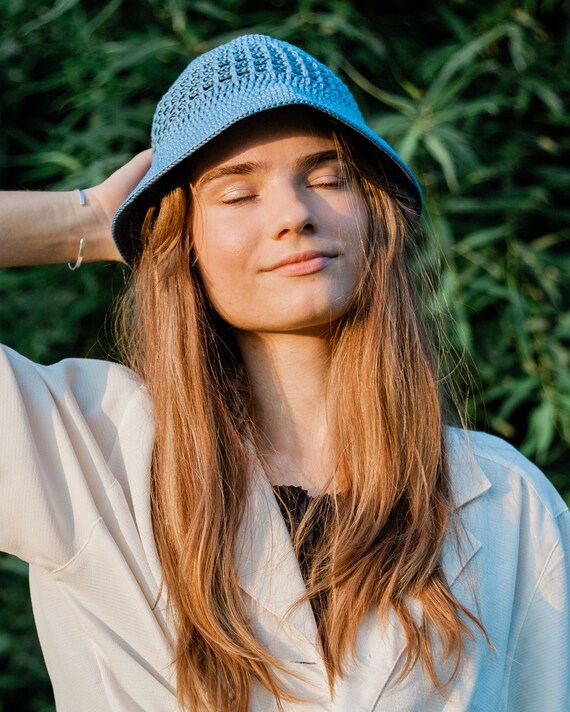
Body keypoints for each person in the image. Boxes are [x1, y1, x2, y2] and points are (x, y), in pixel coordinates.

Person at [0, 34, 568, 712]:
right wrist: (85, 221)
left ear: (375, 219)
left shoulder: (508, 500)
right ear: (183, 244)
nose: (295, 216)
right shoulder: (83, 447)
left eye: (328, 180)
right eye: (238, 194)